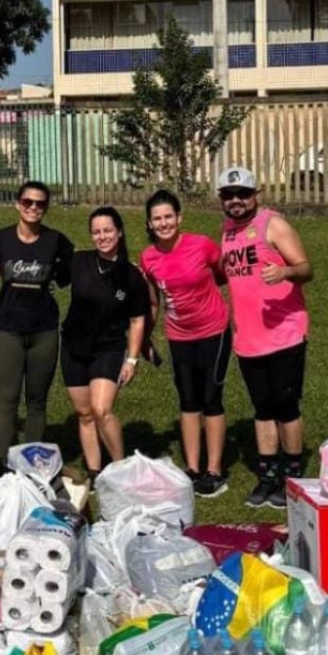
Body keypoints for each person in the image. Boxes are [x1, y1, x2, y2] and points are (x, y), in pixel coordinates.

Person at [218, 164, 314, 509]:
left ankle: (291, 473)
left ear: (255, 194)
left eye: (243, 193)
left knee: (285, 406)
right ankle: (268, 475)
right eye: (229, 195)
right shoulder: (227, 230)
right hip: (248, 337)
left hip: (284, 333)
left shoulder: (273, 224)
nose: (237, 201)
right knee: (262, 409)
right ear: (222, 200)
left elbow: (307, 269)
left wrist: (286, 270)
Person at [141, 188, 231, 499]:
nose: (163, 223)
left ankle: (215, 470)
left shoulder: (202, 245)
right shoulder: (148, 256)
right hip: (179, 335)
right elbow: (153, 300)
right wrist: (145, 336)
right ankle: (192, 468)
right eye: (157, 219)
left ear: (179, 218)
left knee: (211, 398)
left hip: (213, 331)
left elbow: (222, 274)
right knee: (188, 400)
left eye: (168, 216)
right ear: (150, 224)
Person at [0, 181, 74, 461]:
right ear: (17, 204)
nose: (33, 208)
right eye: (28, 202)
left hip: (43, 330)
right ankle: (0, 465)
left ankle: (30, 463)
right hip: (8, 328)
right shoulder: (0, 239)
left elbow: (66, 277)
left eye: (40, 203)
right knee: (7, 400)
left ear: (46, 207)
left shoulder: (56, 241)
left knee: (37, 401)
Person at [59, 206, 148, 482]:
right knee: (84, 414)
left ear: (119, 232)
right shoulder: (78, 261)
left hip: (108, 349)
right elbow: (49, 273)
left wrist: (132, 359)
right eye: (96, 232)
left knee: (102, 410)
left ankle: (121, 469)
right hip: (73, 346)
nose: (102, 236)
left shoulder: (132, 276)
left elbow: (137, 320)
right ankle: (96, 473)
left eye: (107, 230)